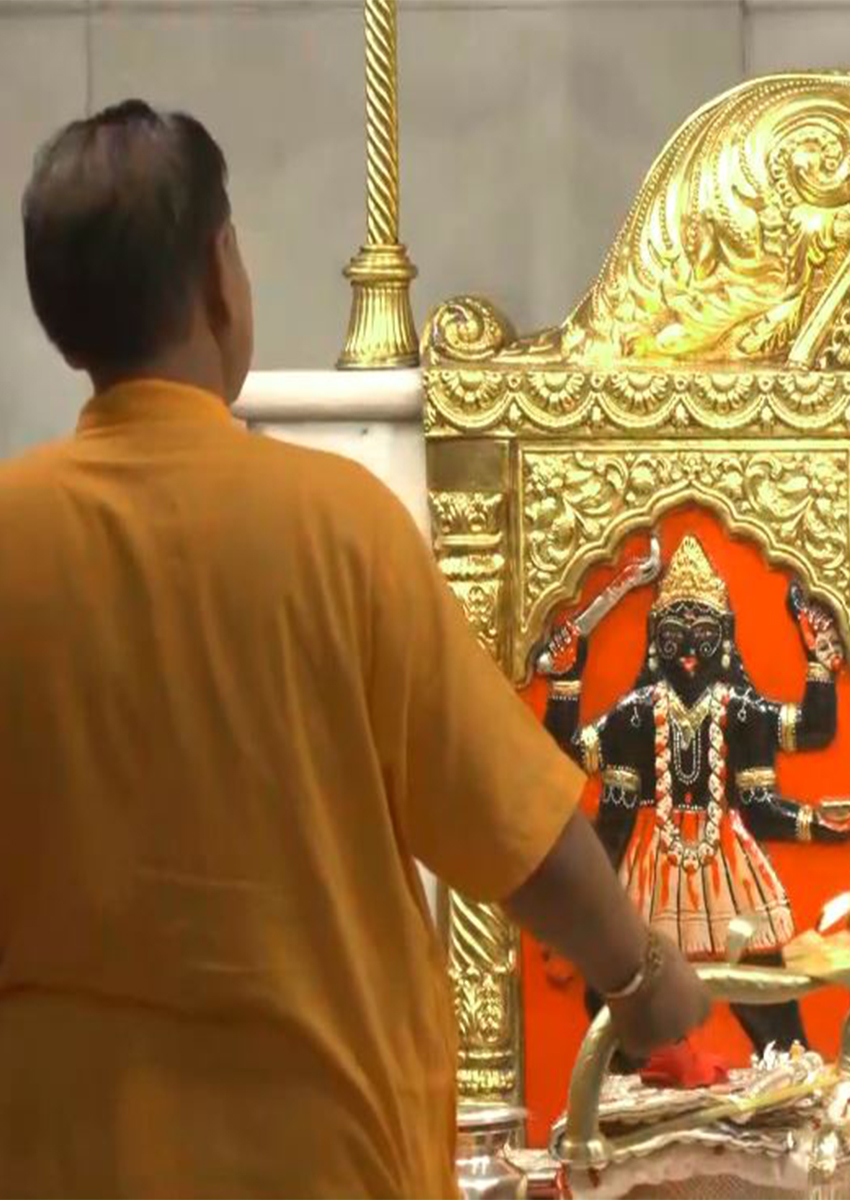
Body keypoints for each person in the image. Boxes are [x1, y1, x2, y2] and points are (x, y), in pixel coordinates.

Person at [0, 99, 710, 1197]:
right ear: (219, 278)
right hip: (318, 1151)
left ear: (58, 315)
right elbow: (516, 834)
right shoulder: (336, 527)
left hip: (60, 1152)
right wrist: (645, 981)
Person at [540, 535, 850, 1056]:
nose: (688, 654)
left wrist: (818, 661)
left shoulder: (738, 709)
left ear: (725, 641)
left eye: (704, 637)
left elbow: (811, 733)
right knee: (623, 1005)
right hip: (649, 873)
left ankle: (789, 1093)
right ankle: (617, 1102)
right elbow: (570, 751)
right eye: (672, 640)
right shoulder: (638, 713)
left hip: (731, 875)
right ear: (653, 643)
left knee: (767, 999)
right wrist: (566, 678)